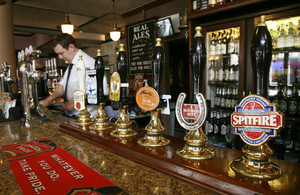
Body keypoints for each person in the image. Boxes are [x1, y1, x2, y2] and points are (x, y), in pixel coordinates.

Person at [39, 33, 97, 118]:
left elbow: (98, 93)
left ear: (71, 47)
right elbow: (62, 87)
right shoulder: (71, 64)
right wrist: (49, 100)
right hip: (71, 116)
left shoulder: (88, 64)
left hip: (86, 118)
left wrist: (72, 104)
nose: (60, 57)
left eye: (61, 53)